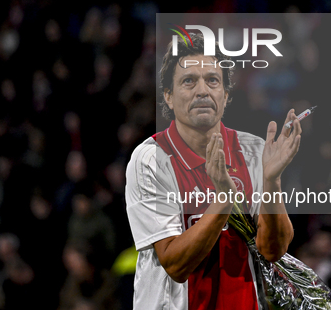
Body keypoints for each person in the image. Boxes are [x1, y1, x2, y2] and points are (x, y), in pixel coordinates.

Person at [125, 33, 302, 309]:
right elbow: (175, 263)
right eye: (188, 81)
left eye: (212, 80)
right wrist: (224, 200)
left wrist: (271, 180)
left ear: (226, 95)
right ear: (168, 98)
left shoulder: (253, 151)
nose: (202, 90)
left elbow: (272, 250)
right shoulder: (151, 159)